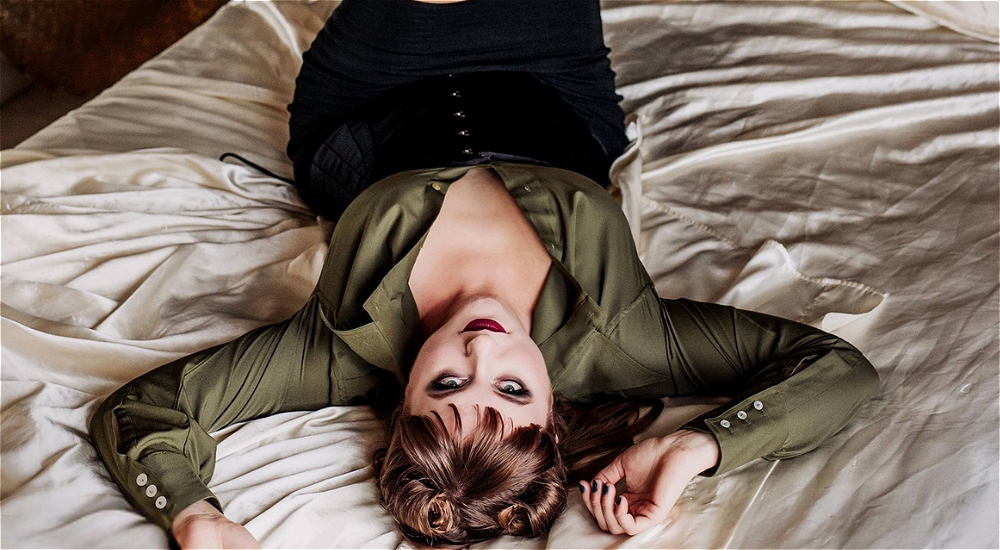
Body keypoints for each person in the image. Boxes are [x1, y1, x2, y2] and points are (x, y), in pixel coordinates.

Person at [88, 0, 880, 548]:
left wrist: (195, 515)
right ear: (554, 411)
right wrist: (695, 448)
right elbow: (837, 371)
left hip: (372, 92)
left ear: (401, 399)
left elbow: (145, 411)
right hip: (554, 80)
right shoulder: (628, 342)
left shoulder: (337, 347)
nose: (481, 350)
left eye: (444, 386)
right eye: (511, 390)